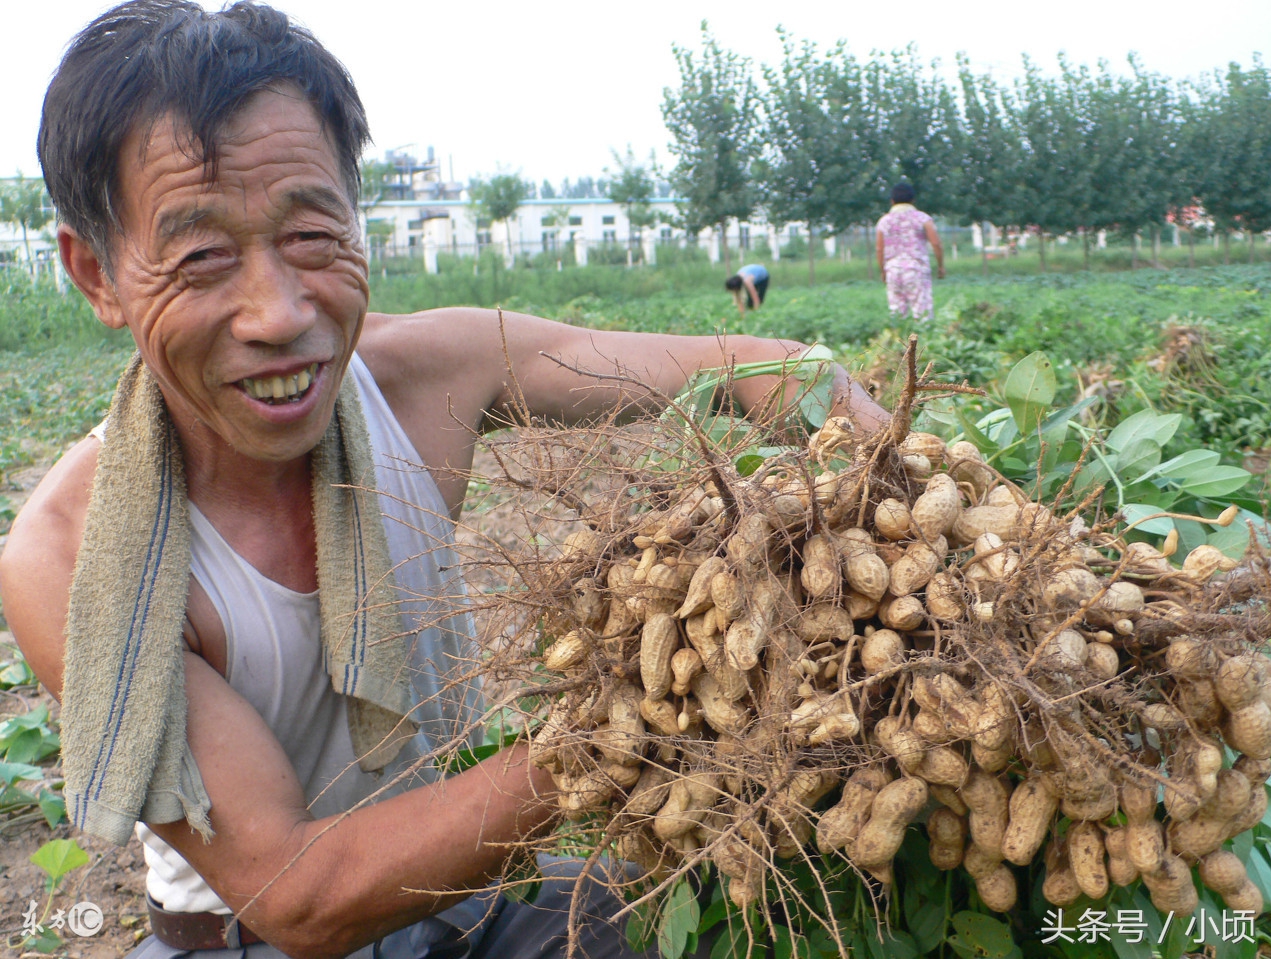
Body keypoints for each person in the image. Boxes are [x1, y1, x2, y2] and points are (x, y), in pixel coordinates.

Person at [0, 4, 890, 959]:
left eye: (311, 235)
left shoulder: (421, 379)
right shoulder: (74, 561)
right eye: (203, 256)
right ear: (97, 274)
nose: (279, 313)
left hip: (478, 899)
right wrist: (634, 713)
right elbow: (301, 895)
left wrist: (873, 445)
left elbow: (746, 368)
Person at [875, 183, 945, 321]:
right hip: (916, 269)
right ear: (913, 200)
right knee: (922, 313)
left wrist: (883, 271)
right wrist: (941, 266)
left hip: (893, 269)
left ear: (892, 201)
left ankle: (898, 333)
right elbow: (936, 243)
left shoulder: (884, 221)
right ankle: (922, 334)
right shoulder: (922, 218)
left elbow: (879, 249)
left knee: (897, 313)